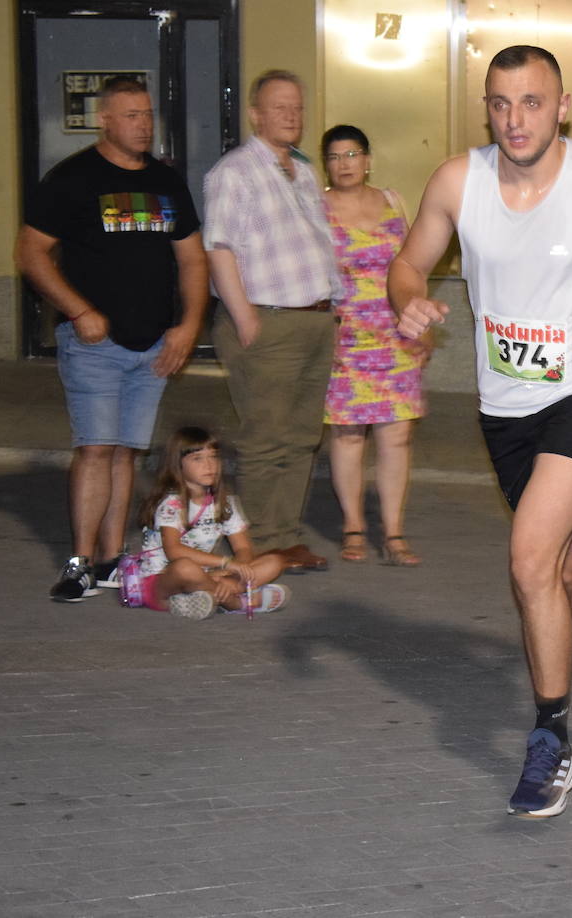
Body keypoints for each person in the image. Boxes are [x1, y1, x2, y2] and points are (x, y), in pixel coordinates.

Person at [388, 45, 572, 818]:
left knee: (530, 560)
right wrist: (408, 300)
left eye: (531, 102)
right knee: (571, 566)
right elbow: (408, 262)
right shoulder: (458, 182)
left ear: (563, 106)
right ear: (485, 108)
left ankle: (550, 741)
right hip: (507, 406)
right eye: (499, 103)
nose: (515, 119)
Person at [16, 76, 209, 603]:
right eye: (130, 115)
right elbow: (30, 252)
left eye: (147, 115)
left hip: (153, 347)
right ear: (105, 119)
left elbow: (192, 258)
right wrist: (78, 310)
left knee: (126, 453)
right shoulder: (73, 179)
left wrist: (189, 325)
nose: (143, 124)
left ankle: (109, 559)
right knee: (96, 449)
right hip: (95, 346)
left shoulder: (168, 183)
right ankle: (79, 561)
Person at [202, 69, 342, 572]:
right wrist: (244, 319)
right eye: (279, 107)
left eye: (297, 107)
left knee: (302, 437)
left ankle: (284, 537)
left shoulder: (302, 171)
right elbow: (218, 248)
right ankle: (257, 544)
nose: (290, 115)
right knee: (265, 438)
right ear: (255, 114)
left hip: (313, 320)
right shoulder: (233, 172)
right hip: (266, 321)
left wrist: (335, 307)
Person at [319, 124, 430, 566]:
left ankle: (395, 532)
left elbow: (413, 267)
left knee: (396, 435)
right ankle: (353, 527)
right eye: (335, 156)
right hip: (343, 337)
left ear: (367, 159)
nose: (344, 164)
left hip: (395, 333)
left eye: (352, 154)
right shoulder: (316, 208)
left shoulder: (393, 201)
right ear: (325, 164)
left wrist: (421, 324)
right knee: (348, 434)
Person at [126, 426, 290, 619]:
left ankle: (205, 595)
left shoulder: (225, 503)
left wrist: (240, 568)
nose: (209, 465)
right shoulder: (171, 504)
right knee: (185, 568)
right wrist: (226, 564)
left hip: (206, 576)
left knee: (274, 561)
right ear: (177, 465)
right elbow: (174, 551)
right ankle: (235, 602)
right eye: (198, 459)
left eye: (213, 457)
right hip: (162, 581)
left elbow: (243, 547)